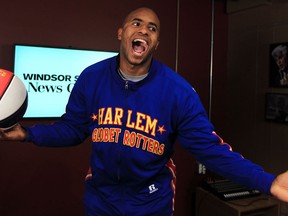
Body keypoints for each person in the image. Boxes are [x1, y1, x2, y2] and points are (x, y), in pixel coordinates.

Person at [1, 7, 288, 216]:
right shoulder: (91, 77)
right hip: (101, 199)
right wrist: (26, 133)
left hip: (151, 202)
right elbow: (73, 129)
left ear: (156, 43)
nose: (144, 30)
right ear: (121, 33)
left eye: (152, 28)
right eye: (136, 23)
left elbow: (210, 149)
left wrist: (267, 182)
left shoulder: (178, 92)